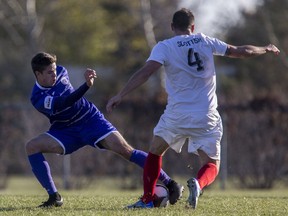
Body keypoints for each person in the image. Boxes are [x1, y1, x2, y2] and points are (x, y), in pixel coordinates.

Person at [106, 8, 280, 209]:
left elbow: (146, 73)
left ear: (172, 27)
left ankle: (147, 199)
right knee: (211, 165)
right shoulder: (205, 41)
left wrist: (121, 94)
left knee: (155, 152)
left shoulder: (165, 46)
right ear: (193, 27)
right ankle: (198, 183)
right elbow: (242, 51)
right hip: (206, 115)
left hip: (176, 115)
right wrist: (265, 48)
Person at [26, 52, 184, 208]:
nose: (54, 74)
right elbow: (64, 103)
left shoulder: (61, 71)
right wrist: (86, 86)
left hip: (90, 119)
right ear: (38, 74)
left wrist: (85, 83)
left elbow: (70, 100)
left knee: (126, 150)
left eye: (54, 69)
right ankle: (54, 196)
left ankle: (170, 184)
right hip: (65, 130)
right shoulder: (37, 97)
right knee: (32, 146)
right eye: (49, 72)